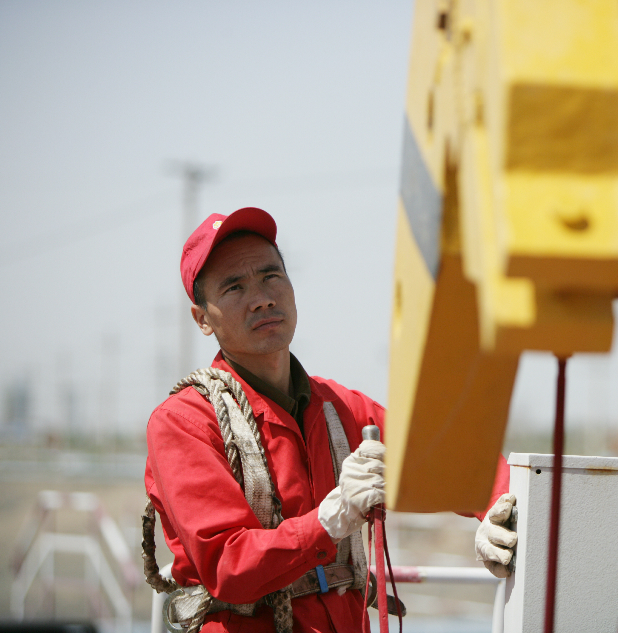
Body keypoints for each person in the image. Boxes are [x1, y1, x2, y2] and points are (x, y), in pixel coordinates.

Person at [144, 207, 517, 633]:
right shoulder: (184, 423)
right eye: (233, 287)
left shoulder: (339, 408)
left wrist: (495, 510)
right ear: (202, 319)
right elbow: (228, 564)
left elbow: (449, 460)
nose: (262, 297)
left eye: (271, 276)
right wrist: (330, 519)